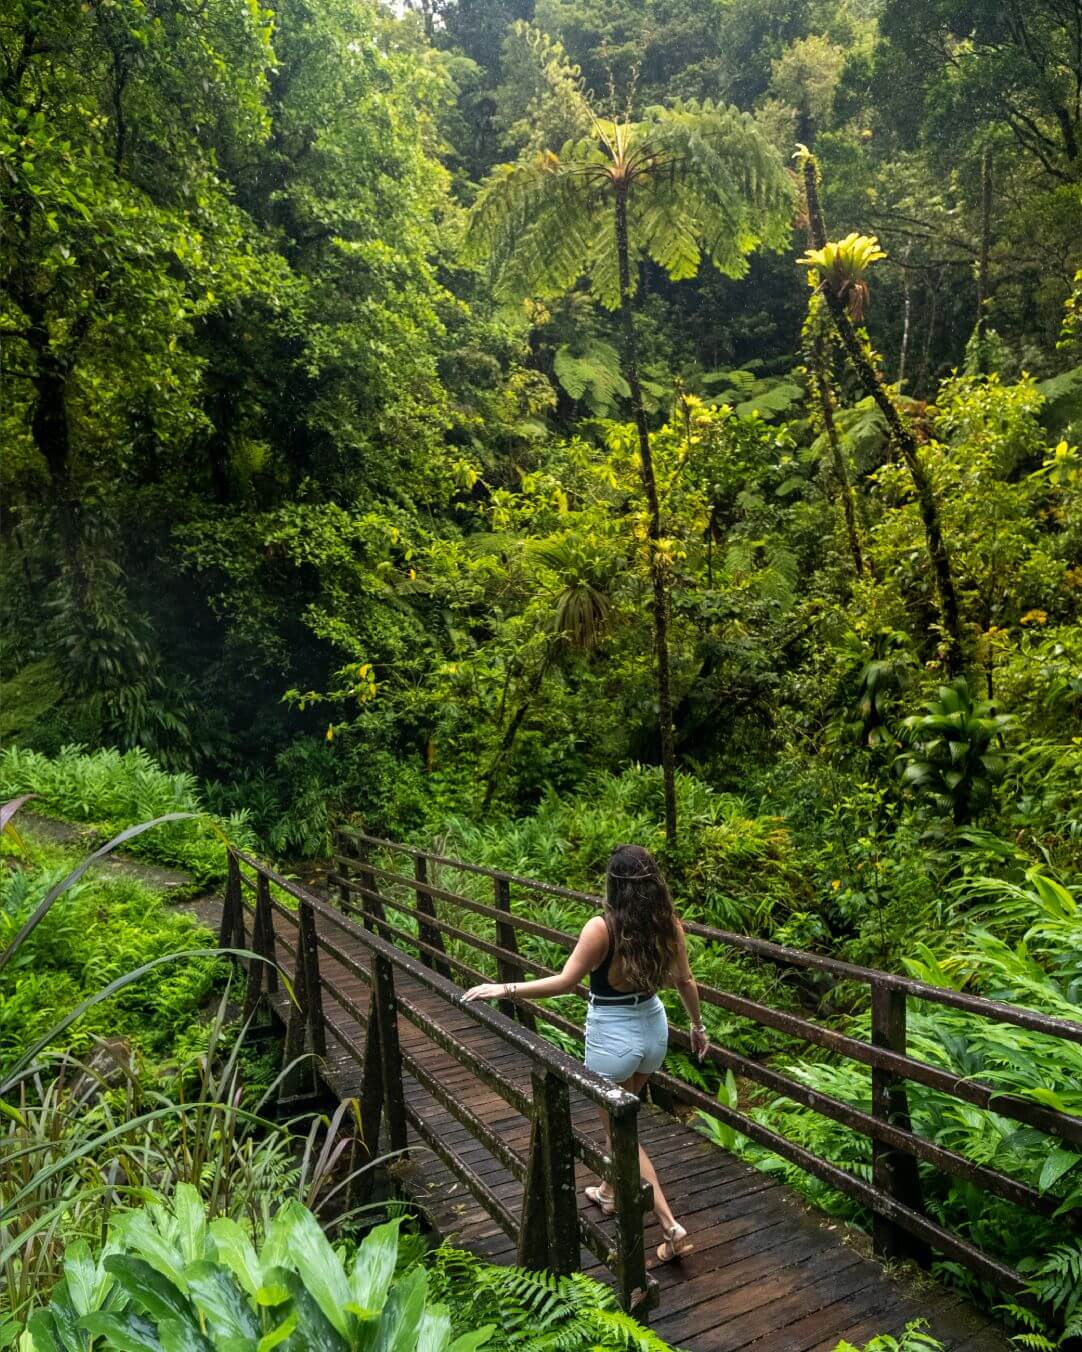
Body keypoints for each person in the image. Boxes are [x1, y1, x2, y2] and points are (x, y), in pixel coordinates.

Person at [463, 843, 709, 1262]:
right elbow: (685, 981)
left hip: (613, 1035)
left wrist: (503, 989)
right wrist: (698, 1026)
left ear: (614, 886)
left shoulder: (603, 928)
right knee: (622, 1113)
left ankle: (669, 1225)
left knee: (619, 1133)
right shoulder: (668, 926)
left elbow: (564, 982)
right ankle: (611, 1192)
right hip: (653, 1029)